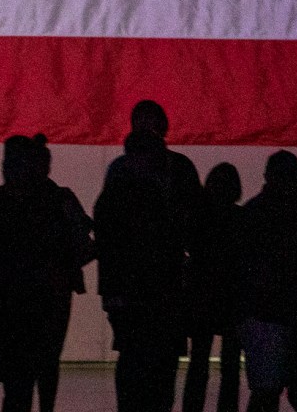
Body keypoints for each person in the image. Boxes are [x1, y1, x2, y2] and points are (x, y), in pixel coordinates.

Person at [99, 103, 208, 412]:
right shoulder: (176, 168)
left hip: (154, 286)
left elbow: (108, 232)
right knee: (154, 361)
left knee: (140, 359)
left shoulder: (122, 170)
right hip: (158, 285)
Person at [0, 136, 90, 412]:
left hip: (20, 298)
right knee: (34, 370)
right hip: (38, 297)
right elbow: (85, 244)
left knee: (20, 375)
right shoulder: (57, 201)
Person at [236, 151, 297, 412]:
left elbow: (243, 268)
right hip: (287, 310)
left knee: (265, 391)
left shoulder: (254, 212)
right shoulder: (291, 210)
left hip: (263, 314)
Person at [187, 163, 247, 412]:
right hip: (232, 297)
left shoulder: (199, 218)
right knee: (230, 365)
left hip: (203, 296)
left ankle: (192, 407)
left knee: (198, 362)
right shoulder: (241, 218)